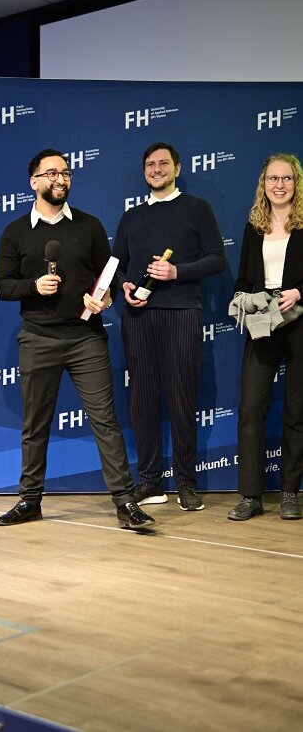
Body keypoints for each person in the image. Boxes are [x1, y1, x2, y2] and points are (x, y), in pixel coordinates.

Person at [0, 148, 154, 530]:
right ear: (34, 181)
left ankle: (125, 503)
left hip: (86, 339)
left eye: (65, 173)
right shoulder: (15, 232)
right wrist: (33, 286)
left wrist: (104, 300)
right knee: (35, 425)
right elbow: (3, 286)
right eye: (52, 173)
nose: (60, 179)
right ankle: (29, 501)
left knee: (105, 422)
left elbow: (108, 281)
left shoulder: (89, 226)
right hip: (37, 338)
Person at [113, 142, 225, 512]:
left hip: (182, 315)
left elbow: (217, 260)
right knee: (143, 400)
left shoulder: (198, 208)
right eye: (150, 164)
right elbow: (117, 265)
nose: (157, 169)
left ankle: (186, 483)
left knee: (181, 400)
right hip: (138, 318)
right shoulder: (131, 216)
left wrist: (177, 272)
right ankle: (150, 481)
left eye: (164, 163)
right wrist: (124, 287)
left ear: (177, 168)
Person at [228, 154, 303, 521]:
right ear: (264, 183)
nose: (279, 185)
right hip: (263, 320)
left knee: (297, 408)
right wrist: (241, 298)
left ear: (296, 183)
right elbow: (244, 277)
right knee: (251, 407)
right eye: (273, 178)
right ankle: (250, 496)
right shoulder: (253, 226)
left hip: (299, 319)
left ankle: (290, 492)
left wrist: (299, 292)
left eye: (286, 178)